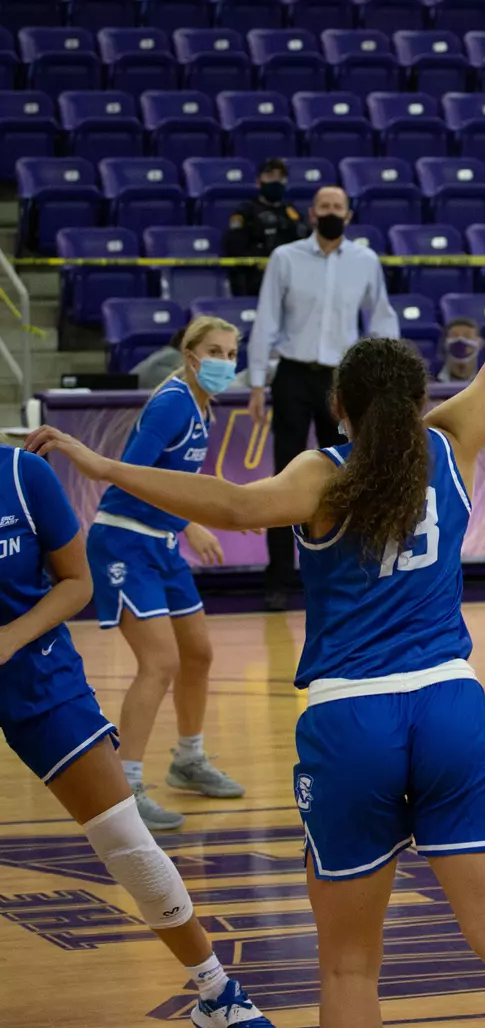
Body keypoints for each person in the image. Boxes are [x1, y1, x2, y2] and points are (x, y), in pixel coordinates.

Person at [29, 145, 485, 1028]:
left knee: (349, 969)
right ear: (418, 397)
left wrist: (98, 459)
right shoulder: (452, 445)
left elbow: (229, 505)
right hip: (450, 708)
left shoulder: (320, 474)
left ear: (339, 408)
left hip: (350, 719)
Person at [1, 442, 273, 1027]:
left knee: (126, 838)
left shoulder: (23, 474)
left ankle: (217, 992)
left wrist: (10, 637)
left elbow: (76, 582)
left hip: (35, 668)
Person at [85, 316, 247, 832]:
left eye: (230, 353)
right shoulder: (173, 401)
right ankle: (125, 785)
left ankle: (188, 759)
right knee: (159, 663)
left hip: (159, 544)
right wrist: (192, 522)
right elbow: (132, 477)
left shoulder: (202, 406)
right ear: (190, 351)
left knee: (198, 653)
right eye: (214, 351)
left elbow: (177, 484)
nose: (223, 361)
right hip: (124, 540)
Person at [246, 184, 401, 611]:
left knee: (347, 477)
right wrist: (258, 381)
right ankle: (278, 578)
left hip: (343, 377)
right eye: (324, 206)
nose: (331, 212)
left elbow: (383, 316)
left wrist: (390, 379)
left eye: (339, 207)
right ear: (311, 214)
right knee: (284, 476)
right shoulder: (286, 257)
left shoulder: (365, 261)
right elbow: (266, 320)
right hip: (293, 375)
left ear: (348, 216)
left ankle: (346, 573)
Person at [223, 157, 308, 297]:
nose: (275, 181)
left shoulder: (292, 212)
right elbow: (234, 247)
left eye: (280, 177)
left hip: (289, 281)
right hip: (255, 280)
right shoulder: (246, 211)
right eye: (270, 176)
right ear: (259, 182)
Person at [437, 317, 483, 383]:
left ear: (479, 343)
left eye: (467, 336)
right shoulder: (430, 377)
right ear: (445, 343)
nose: (460, 340)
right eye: (454, 335)